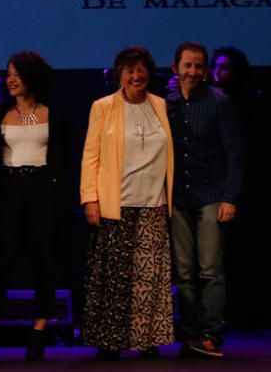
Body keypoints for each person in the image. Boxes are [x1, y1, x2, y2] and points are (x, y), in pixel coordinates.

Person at [79, 46, 174, 358]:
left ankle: (147, 340)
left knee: (151, 277)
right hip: (116, 201)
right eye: (130, 70)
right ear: (119, 74)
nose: (136, 76)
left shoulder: (161, 105)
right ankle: (110, 342)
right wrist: (90, 199)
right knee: (114, 278)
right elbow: (90, 155)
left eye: (141, 69)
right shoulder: (103, 107)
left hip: (154, 203)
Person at [0, 52, 67, 361]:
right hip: (7, 195)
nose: (11, 79)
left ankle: (39, 332)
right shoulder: (1, 115)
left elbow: (65, 165)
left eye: (17, 73)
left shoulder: (53, 114)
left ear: (32, 76)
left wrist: (61, 205)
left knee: (44, 265)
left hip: (42, 193)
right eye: (8, 73)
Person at [168, 42, 244, 358]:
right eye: (188, 65)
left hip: (212, 193)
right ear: (176, 69)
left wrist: (229, 198)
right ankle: (192, 334)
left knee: (210, 269)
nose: (193, 71)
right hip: (178, 195)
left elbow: (235, 152)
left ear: (205, 70)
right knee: (184, 273)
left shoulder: (218, 102)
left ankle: (212, 334)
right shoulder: (167, 104)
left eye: (199, 66)